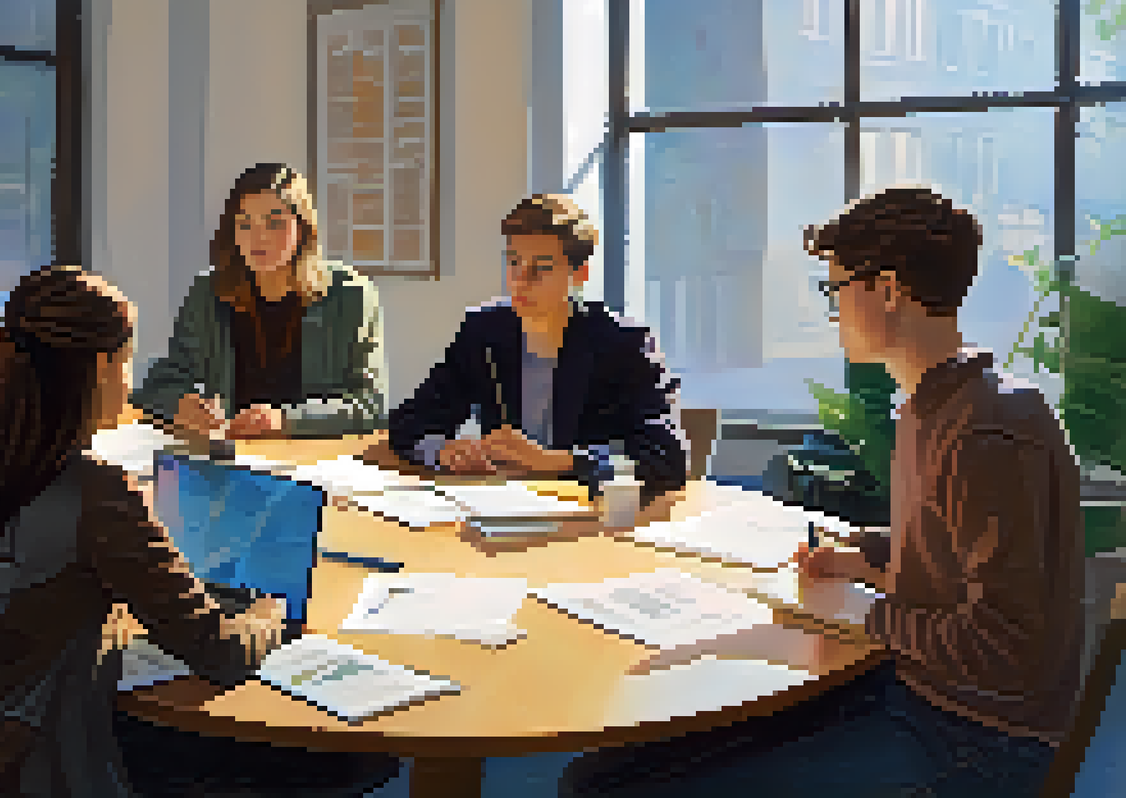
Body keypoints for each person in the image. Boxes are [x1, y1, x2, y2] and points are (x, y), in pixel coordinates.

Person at [557, 187, 1084, 797]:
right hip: (913, 691)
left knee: (615, 792)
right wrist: (866, 556)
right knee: (600, 775)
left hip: (977, 737)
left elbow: (1003, 647)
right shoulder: (933, 405)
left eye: (835, 290)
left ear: (886, 289)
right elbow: (952, 545)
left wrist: (864, 611)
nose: (831, 311)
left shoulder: (989, 428)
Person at [0, 266, 400, 797]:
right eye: (126, 360)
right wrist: (269, 611)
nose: (128, 378)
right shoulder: (99, 494)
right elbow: (221, 654)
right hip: (15, 768)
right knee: (355, 762)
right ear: (101, 367)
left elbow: (25, 590)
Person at [387, 193, 687, 505]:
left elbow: (667, 460)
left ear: (579, 274)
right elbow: (407, 422)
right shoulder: (484, 332)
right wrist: (444, 450)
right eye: (514, 262)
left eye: (540, 268)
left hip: (588, 516)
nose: (520, 280)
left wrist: (556, 461)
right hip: (500, 510)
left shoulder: (625, 344)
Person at [133, 162, 388, 441]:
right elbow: (157, 385)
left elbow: (370, 405)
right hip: (231, 458)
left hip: (315, 463)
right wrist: (181, 405)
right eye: (244, 224)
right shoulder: (208, 292)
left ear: (302, 228)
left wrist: (287, 421)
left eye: (274, 222)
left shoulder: (351, 296)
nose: (259, 237)